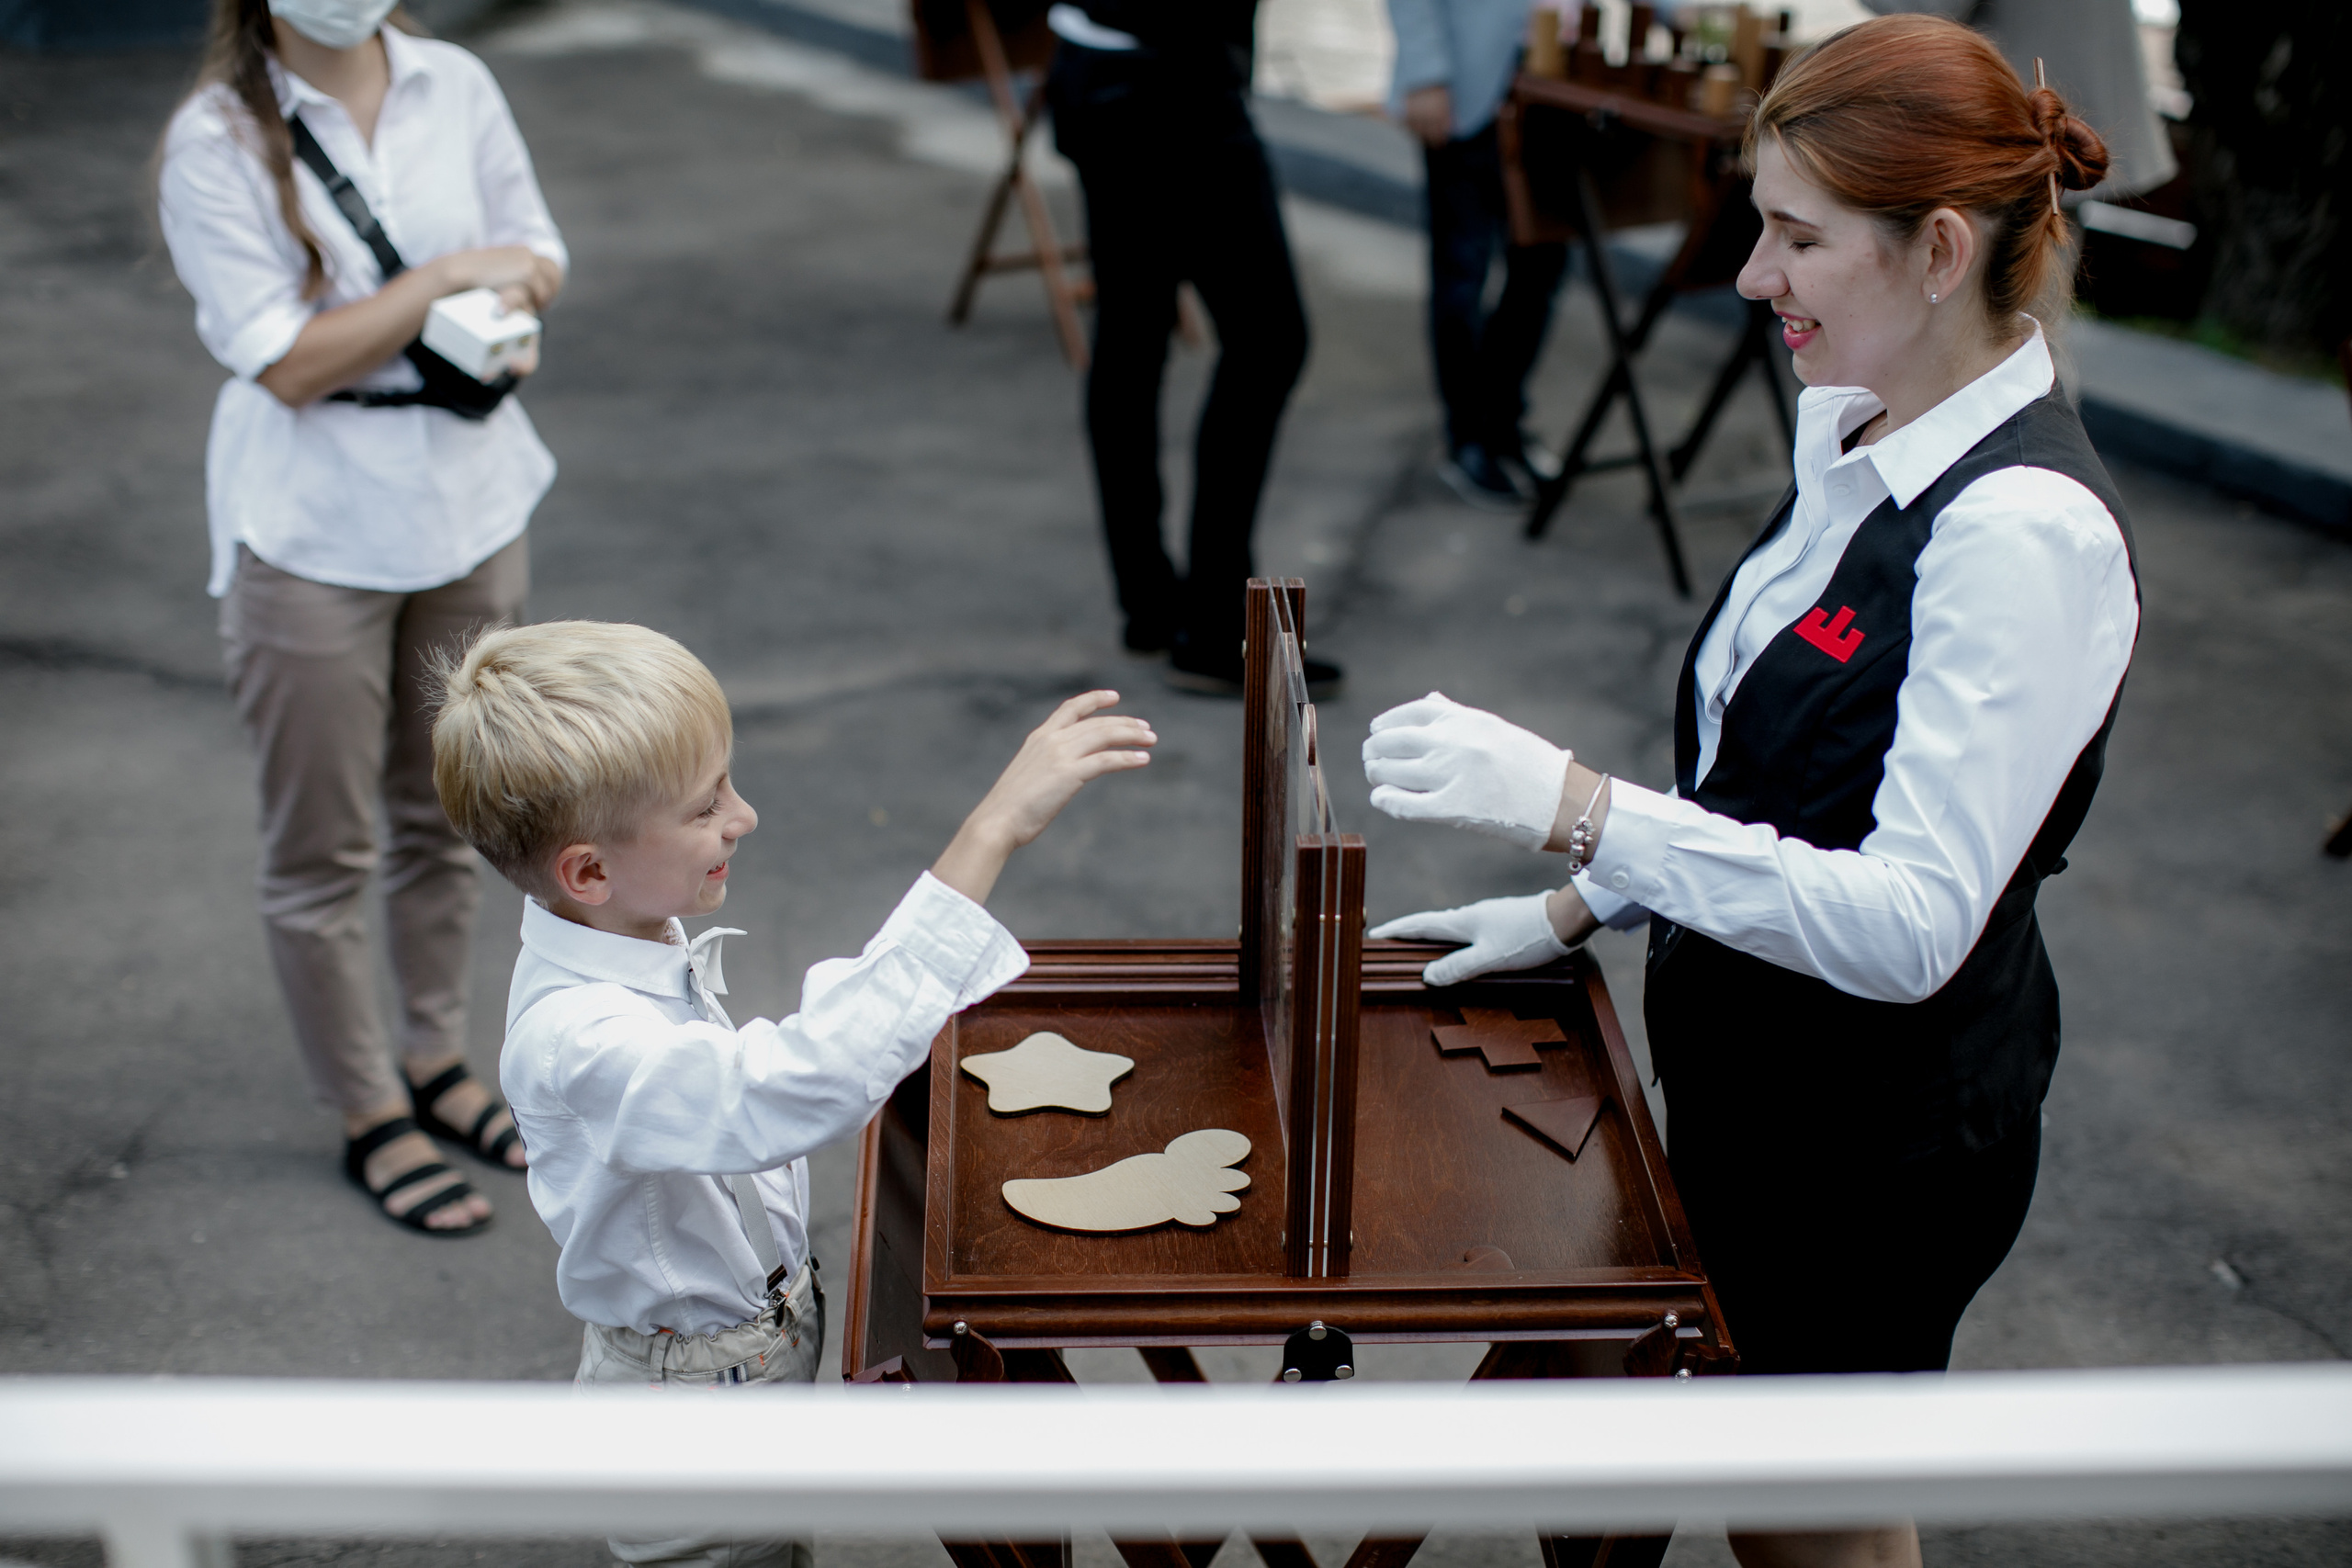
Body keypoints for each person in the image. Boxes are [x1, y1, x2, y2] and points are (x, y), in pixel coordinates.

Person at [1362, 17, 2136, 1567]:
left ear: (1935, 250)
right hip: (1754, 1095)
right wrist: (1579, 900)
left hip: (1875, 1151)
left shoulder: (2023, 537)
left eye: (1794, 237)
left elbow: (1913, 922)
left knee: (1810, 1527)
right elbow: (1772, 778)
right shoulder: (1861, 427)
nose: (1751, 276)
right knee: (1749, 1485)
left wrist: (1579, 803)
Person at [431, 621, 1154, 1568]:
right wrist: (989, 835)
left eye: (727, 784)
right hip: (690, 1400)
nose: (744, 816)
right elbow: (788, 1088)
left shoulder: (626, 927)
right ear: (590, 871)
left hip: (738, 1352)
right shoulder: (580, 1039)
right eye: (704, 808)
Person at [158, 0, 567, 1235]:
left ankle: (436, 1059)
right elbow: (283, 359)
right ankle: (367, 1106)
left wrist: (516, 309)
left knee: (455, 815)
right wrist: (448, 280)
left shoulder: (455, 81)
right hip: (311, 528)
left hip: (473, 499)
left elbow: (536, 246)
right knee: (322, 848)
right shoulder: (219, 136)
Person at [1044, 1, 1339, 696]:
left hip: (1107, 65)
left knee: (1133, 338)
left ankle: (1152, 603)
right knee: (1267, 340)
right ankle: (1210, 627)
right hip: (1161, 77)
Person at [1385, 0, 1569, 510]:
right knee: (1462, 274)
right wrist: (1425, 73)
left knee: (1543, 268)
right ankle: (1466, 439)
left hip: (1558, 86)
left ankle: (1503, 422)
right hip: (1465, 86)